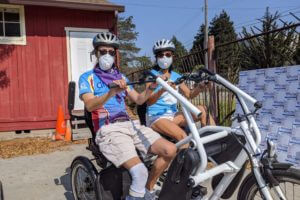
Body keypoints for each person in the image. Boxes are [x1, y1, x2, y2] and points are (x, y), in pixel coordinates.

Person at [79, 32, 176, 200]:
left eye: (111, 52)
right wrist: (111, 92)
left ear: (115, 54)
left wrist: (151, 88)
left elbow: (139, 100)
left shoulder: (121, 77)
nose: (107, 55)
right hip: (108, 128)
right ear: (96, 53)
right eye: (103, 51)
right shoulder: (87, 78)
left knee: (170, 150)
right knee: (139, 171)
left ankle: (145, 190)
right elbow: (89, 105)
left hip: (130, 124)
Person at [145, 39, 216, 144]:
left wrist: (200, 87)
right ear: (156, 58)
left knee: (203, 109)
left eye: (168, 54)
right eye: (160, 55)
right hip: (156, 117)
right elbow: (148, 101)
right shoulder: (151, 75)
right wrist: (163, 89)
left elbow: (189, 94)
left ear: (173, 56)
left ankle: (213, 140)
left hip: (173, 115)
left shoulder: (176, 76)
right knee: (183, 137)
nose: (164, 57)